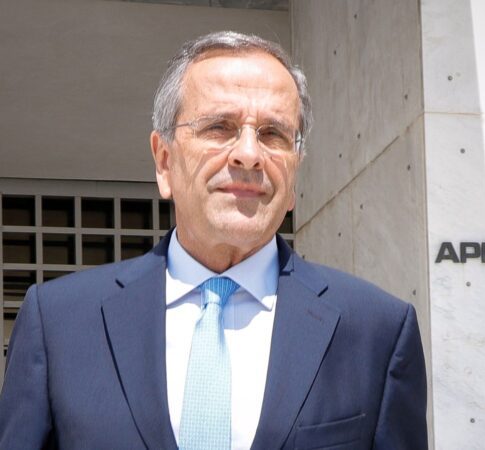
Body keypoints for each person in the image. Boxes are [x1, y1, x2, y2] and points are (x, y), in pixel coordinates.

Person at [0, 31, 427, 449]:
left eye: (273, 134)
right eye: (220, 128)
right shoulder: (59, 323)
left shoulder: (376, 332)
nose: (249, 154)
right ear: (164, 162)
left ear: (295, 172)